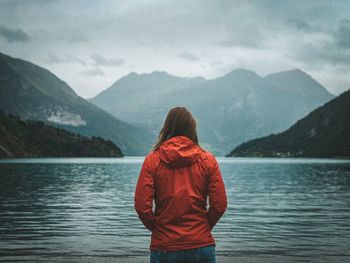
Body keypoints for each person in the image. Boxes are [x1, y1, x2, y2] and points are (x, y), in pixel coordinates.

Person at [134, 106, 227, 263]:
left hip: (164, 246)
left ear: (167, 127)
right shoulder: (208, 160)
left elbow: (142, 206)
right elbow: (220, 205)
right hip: (201, 244)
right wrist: (204, 226)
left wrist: (157, 228)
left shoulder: (152, 160)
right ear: (192, 129)